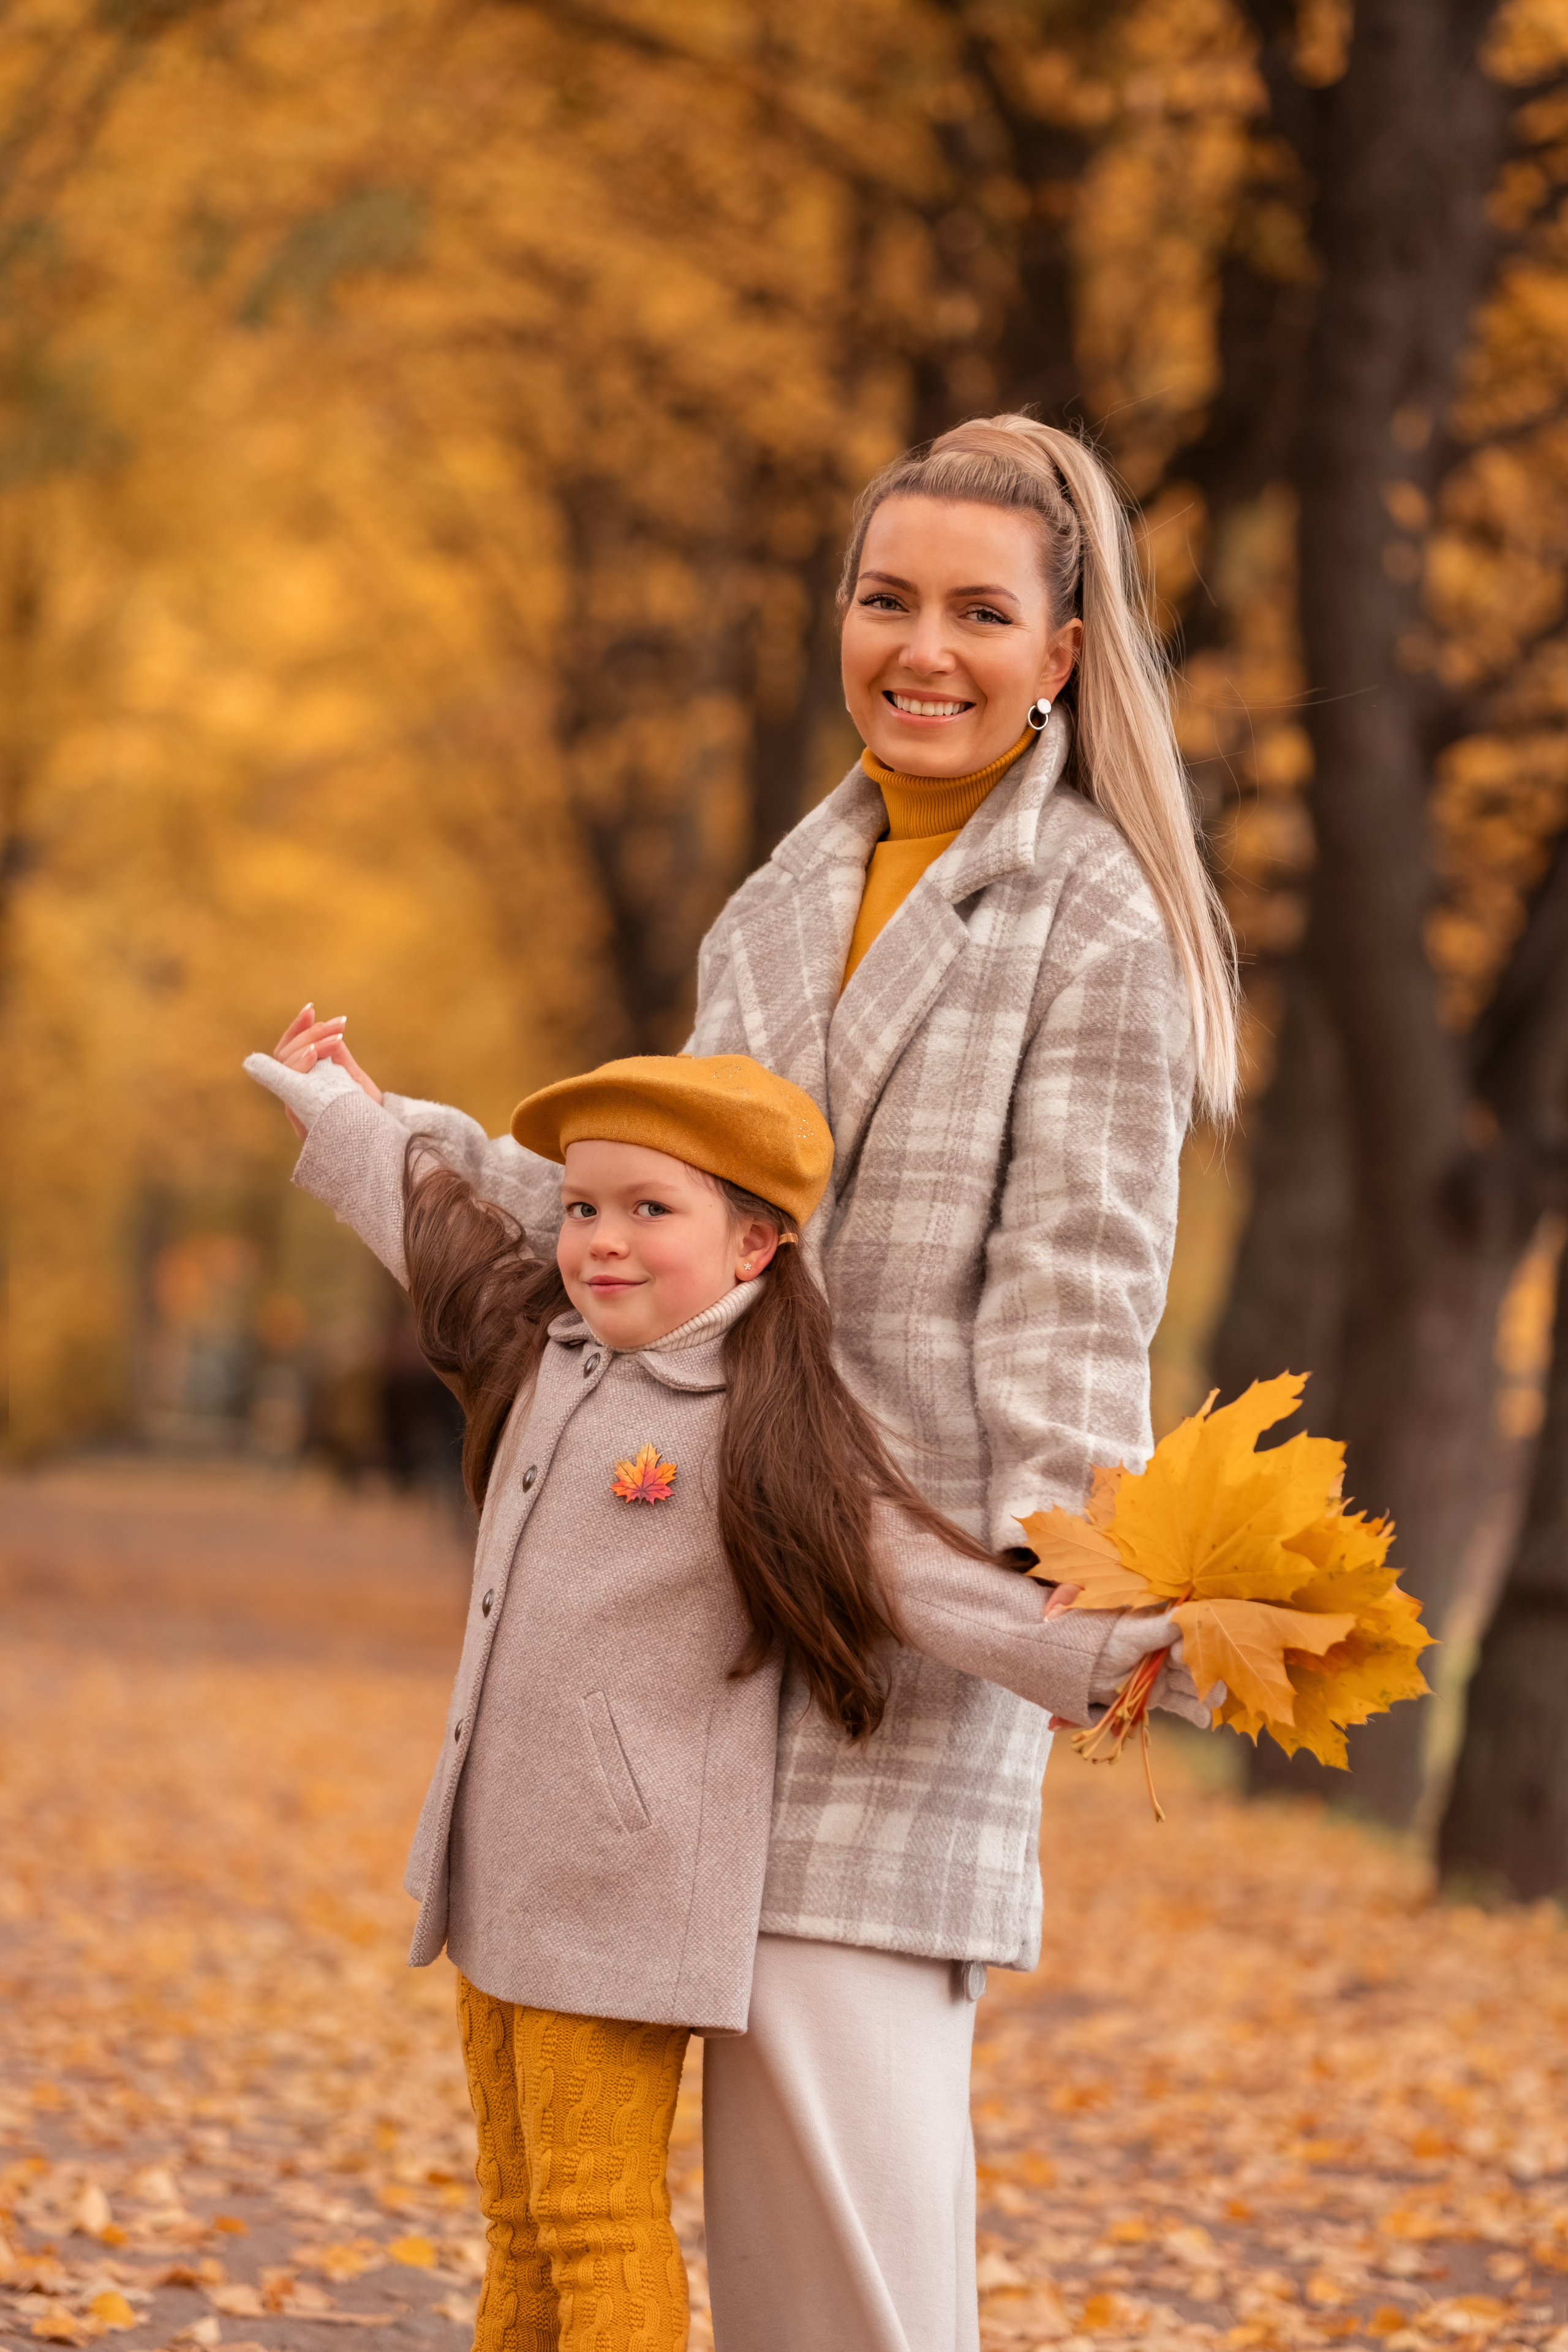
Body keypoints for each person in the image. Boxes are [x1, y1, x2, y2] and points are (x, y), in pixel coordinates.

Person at [262, 409, 1237, 2351]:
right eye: (886, 599)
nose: (923, 650)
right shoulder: (782, 897)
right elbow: (661, 1231)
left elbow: (1081, 1283)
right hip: (686, 1635)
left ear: (1064, 653)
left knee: (840, 2263)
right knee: (581, 2214)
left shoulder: (1099, 925)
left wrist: (1073, 1585)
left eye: (980, 611)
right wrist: (400, 1135)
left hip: (900, 1621)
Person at [243, 1042, 1210, 2352]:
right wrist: (351, 1115)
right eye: (583, 1207)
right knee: (519, 2217)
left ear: (753, 1248)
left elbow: (923, 1579)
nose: (603, 1241)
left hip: (619, 1889)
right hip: (499, 1871)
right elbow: (434, 1230)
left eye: (652, 1211)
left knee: (593, 2216)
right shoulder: (545, 1351)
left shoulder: (760, 1423)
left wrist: (1149, 1657)